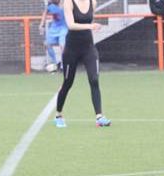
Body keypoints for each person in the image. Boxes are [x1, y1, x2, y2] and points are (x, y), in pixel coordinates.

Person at [54, 0, 111, 128]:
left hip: (88, 48)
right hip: (71, 49)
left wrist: (92, 27)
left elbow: (89, 20)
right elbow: (71, 25)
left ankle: (99, 117)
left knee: (94, 79)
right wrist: (90, 26)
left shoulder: (93, 2)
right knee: (67, 82)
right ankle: (58, 115)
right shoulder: (69, 2)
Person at [40, 0, 69, 72]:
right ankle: (56, 63)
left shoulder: (66, 4)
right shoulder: (50, 5)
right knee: (47, 44)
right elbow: (45, 13)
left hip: (63, 28)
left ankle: (63, 65)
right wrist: (42, 24)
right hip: (54, 28)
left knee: (62, 45)